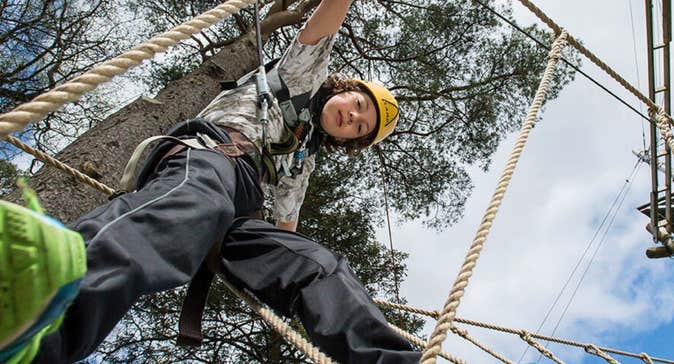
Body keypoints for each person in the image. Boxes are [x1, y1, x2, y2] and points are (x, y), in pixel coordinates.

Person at [0, 0, 419, 363]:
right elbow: (328, 17)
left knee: (315, 266)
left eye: (360, 127)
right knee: (200, 205)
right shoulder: (302, 77)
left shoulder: (302, 162)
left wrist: (282, 259)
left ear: (349, 141)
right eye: (359, 104)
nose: (353, 117)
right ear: (344, 89)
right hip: (210, 154)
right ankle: (45, 304)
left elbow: (286, 229)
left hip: (238, 212)